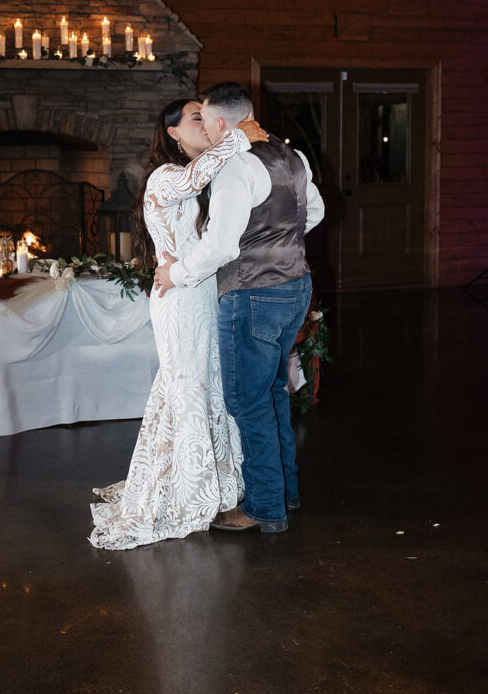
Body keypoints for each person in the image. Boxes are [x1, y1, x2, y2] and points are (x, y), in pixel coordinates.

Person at [89, 98, 268, 550]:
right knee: (186, 385)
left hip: (207, 294)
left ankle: (220, 482)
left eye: (207, 119)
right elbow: (193, 177)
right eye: (195, 118)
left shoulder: (207, 174)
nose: (204, 125)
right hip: (180, 300)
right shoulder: (165, 177)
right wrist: (238, 137)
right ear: (171, 133)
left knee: (211, 384)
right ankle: (190, 491)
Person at [154, 82, 325, 534]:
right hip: (297, 287)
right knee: (271, 394)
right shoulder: (294, 157)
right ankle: (285, 492)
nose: (206, 130)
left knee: (248, 404)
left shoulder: (235, 167)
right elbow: (315, 213)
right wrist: (280, 242)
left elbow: (220, 247)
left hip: (254, 294)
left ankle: (264, 509)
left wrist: (176, 275)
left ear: (219, 123)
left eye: (205, 120)